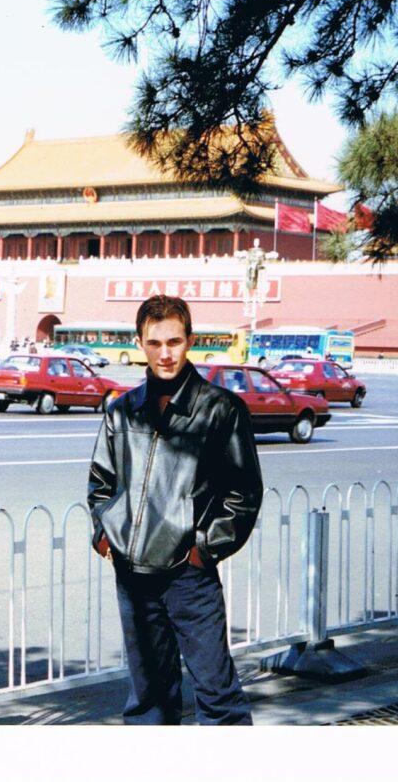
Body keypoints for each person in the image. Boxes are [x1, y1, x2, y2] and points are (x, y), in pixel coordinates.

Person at [87, 294, 262, 725]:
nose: (165, 354)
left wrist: (203, 549)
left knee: (218, 696)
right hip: (132, 573)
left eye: (175, 342)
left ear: (190, 341)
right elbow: (100, 484)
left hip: (189, 576)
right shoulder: (122, 410)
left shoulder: (221, 409)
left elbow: (243, 494)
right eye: (155, 343)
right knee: (149, 700)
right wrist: (106, 536)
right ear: (140, 344)